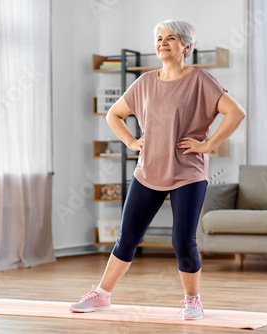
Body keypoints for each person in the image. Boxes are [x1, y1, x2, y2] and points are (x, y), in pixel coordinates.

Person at [69, 19, 246, 320]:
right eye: (159, 38)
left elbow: (235, 113)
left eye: (171, 38)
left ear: (186, 47)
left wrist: (207, 145)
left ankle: (193, 301)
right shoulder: (145, 82)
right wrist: (131, 142)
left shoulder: (200, 80)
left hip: (187, 174)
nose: (163, 43)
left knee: (182, 240)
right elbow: (115, 115)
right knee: (128, 237)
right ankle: (101, 295)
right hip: (148, 172)